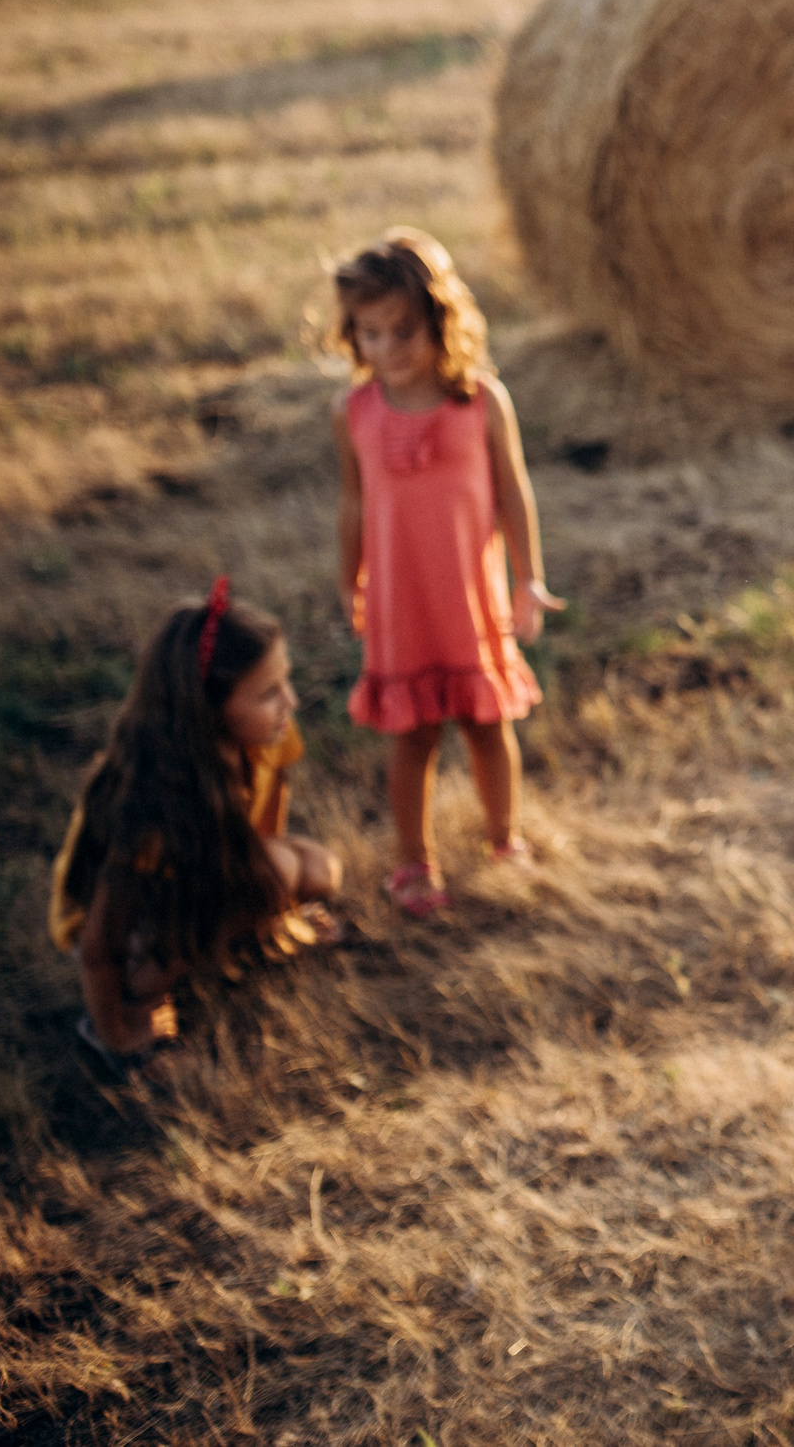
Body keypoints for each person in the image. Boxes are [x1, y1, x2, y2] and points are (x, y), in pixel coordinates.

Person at [331, 228, 562, 919]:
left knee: (487, 727)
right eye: (369, 334)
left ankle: (503, 840)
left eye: (403, 331)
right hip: (402, 605)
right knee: (414, 735)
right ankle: (414, 862)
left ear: (441, 320)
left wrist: (529, 576)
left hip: (470, 598)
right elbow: (352, 504)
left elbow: (515, 492)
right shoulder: (355, 413)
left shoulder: (481, 401)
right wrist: (349, 580)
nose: (387, 350)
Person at [50, 580, 344, 1070]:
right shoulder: (152, 801)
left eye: (286, 681)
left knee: (315, 870)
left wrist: (274, 914)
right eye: (268, 693)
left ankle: (229, 935)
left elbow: (266, 826)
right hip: (128, 921)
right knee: (275, 871)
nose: (290, 702)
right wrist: (115, 1033)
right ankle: (140, 990)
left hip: (198, 876)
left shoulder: (268, 739)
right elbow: (100, 942)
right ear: (207, 709)